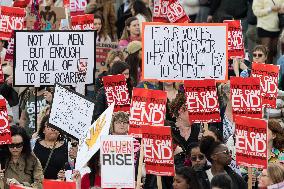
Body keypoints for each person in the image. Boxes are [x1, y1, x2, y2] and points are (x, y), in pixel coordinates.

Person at [253, 0, 284, 64]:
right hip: (264, 27)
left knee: (273, 52)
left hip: (277, 27)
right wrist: (270, 9)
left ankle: (271, 71)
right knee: (266, 53)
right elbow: (256, 12)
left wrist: (281, 8)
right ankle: (265, 71)